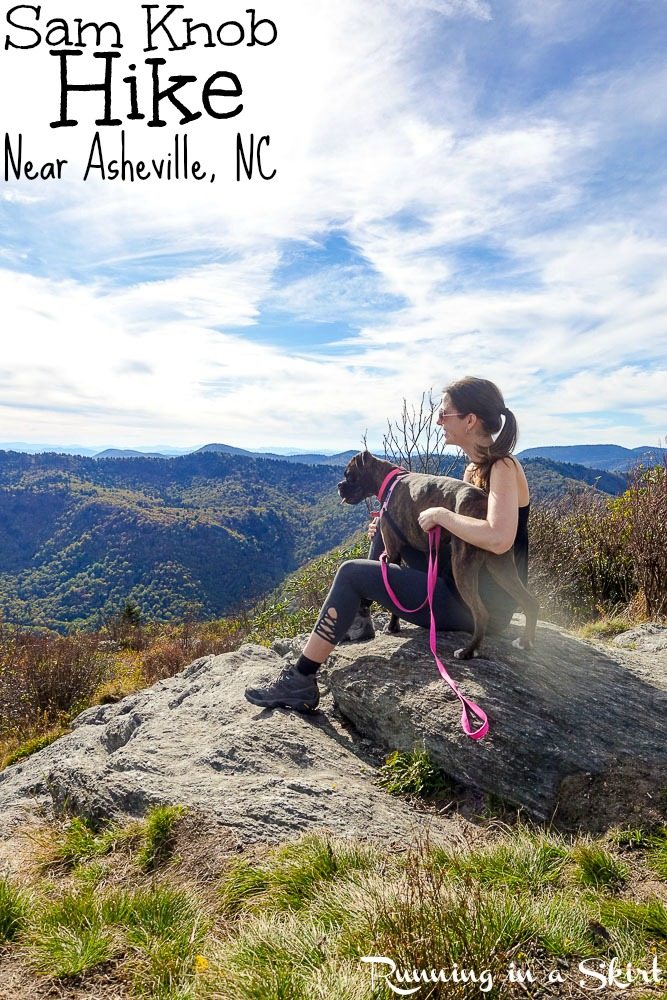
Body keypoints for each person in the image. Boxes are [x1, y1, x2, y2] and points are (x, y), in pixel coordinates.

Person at [244, 376, 530, 712]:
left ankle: (301, 680)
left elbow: (498, 538)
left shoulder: (503, 467)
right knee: (387, 518)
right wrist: (394, 526)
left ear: (470, 420)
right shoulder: (474, 470)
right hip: (457, 582)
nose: (438, 420)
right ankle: (361, 619)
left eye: (445, 414)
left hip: (477, 604)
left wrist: (441, 514)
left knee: (351, 573)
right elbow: (461, 541)